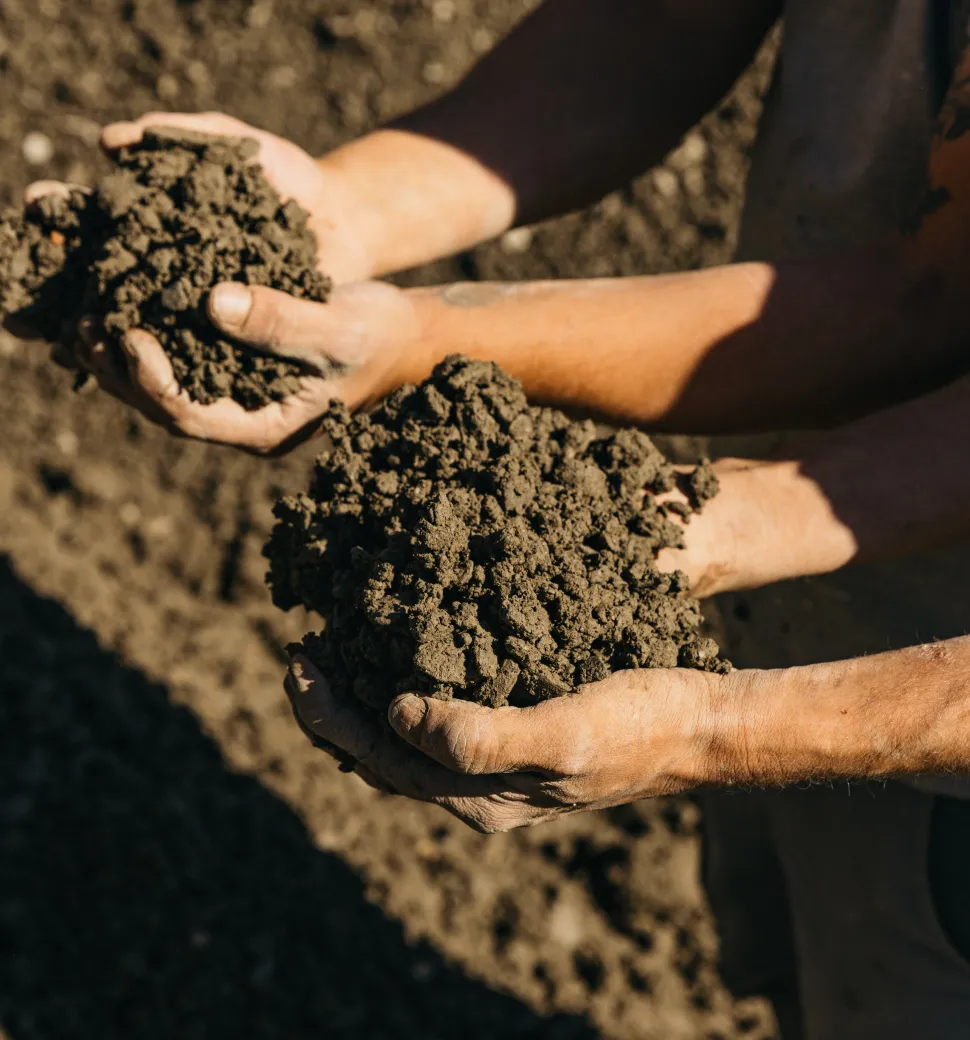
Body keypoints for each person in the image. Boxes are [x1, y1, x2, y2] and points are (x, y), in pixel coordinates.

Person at [32, 2, 970, 1036]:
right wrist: (348, 212)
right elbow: (654, 32)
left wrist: (714, 726)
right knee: (805, 968)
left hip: (929, 737)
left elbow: (924, 301)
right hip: (809, 601)